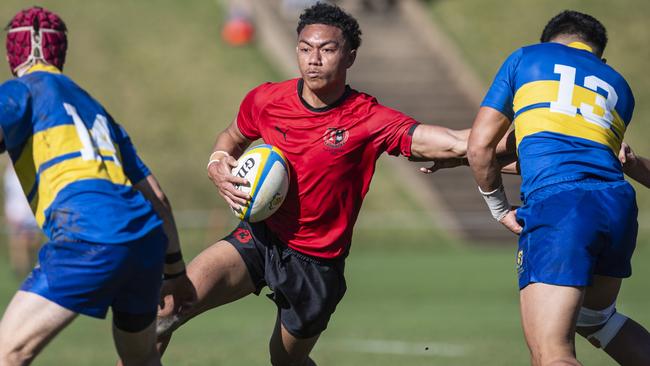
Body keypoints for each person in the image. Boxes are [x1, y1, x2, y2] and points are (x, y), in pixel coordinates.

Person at [156, 3, 502, 365]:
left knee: (285, 361)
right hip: (260, 237)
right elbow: (230, 136)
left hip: (316, 264)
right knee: (167, 308)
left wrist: (522, 146)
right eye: (305, 49)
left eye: (327, 49)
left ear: (350, 56)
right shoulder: (267, 100)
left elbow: (451, 141)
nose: (314, 59)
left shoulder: (368, 118)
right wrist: (216, 162)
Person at [0, 7, 193, 365]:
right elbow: (159, 199)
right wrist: (177, 274)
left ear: (13, 53)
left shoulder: (20, 90)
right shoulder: (96, 110)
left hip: (89, 236)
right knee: (142, 360)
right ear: (60, 52)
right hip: (145, 242)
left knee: (7, 352)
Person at [467, 10, 650, 366]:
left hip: (561, 206)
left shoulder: (527, 58)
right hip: (618, 206)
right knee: (597, 321)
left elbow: (479, 146)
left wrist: (498, 207)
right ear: (599, 57)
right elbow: (570, 154)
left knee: (552, 353)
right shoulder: (618, 85)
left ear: (548, 43)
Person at [3, 164, 41, 277]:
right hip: (16, 210)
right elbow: (9, 193)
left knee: (34, 240)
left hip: (29, 209)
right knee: (18, 240)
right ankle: (21, 269)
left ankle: (32, 264)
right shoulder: (9, 173)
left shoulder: (27, 167)